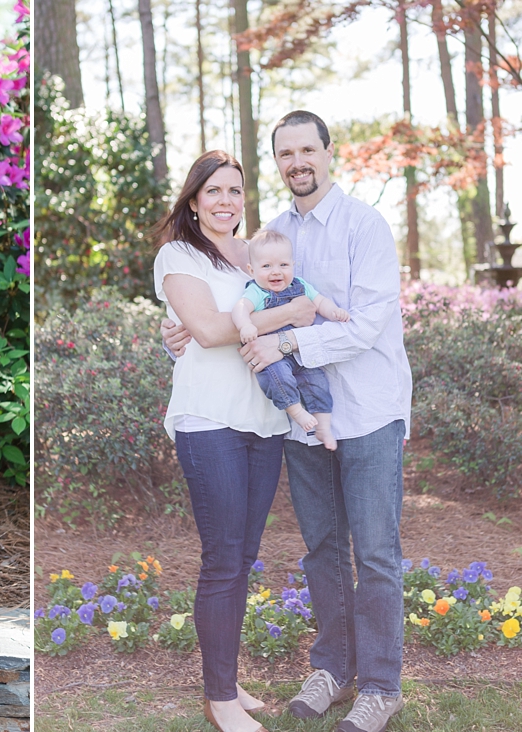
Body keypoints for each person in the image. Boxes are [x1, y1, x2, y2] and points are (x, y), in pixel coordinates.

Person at [163, 111, 412, 732]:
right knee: (321, 550)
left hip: (368, 410)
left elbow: (366, 324)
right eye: (285, 153)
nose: (297, 162)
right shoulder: (268, 237)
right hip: (296, 422)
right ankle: (332, 667)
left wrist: (292, 340)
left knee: (376, 553)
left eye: (307, 149)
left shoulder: (365, 226)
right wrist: (176, 333)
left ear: (329, 152)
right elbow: (220, 312)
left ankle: (380, 685)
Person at [152, 149, 321, 732]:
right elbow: (206, 329)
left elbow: (283, 315)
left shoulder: (258, 254)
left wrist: (298, 309)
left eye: (235, 190)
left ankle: (228, 678)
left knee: (243, 558)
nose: (226, 201)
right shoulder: (178, 255)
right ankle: (218, 697)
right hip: (209, 422)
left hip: (266, 422)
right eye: (214, 191)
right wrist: (290, 310)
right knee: (223, 558)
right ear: (194, 200)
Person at [231, 229, 350, 451]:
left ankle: (324, 426)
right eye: (266, 266)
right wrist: (245, 325)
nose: (276, 272)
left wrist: (334, 312)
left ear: (292, 265)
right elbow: (240, 309)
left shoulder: (300, 285)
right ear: (252, 270)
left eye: (283, 265)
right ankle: (296, 411)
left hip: (300, 350)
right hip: (272, 356)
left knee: (318, 381)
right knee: (278, 377)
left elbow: (319, 301)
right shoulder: (257, 292)